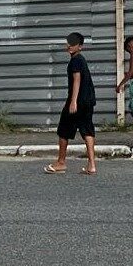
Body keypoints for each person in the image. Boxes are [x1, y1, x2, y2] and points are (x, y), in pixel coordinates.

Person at [45, 32, 97, 175]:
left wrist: (73, 101)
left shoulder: (75, 60)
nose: (69, 46)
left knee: (63, 130)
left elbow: (77, 80)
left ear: (80, 47)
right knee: (87, 130)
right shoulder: (81, 59)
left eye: (73, 44)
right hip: (88, 100)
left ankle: (61, 163)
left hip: (78, 101)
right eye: (68, 42)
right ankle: (92, 165)